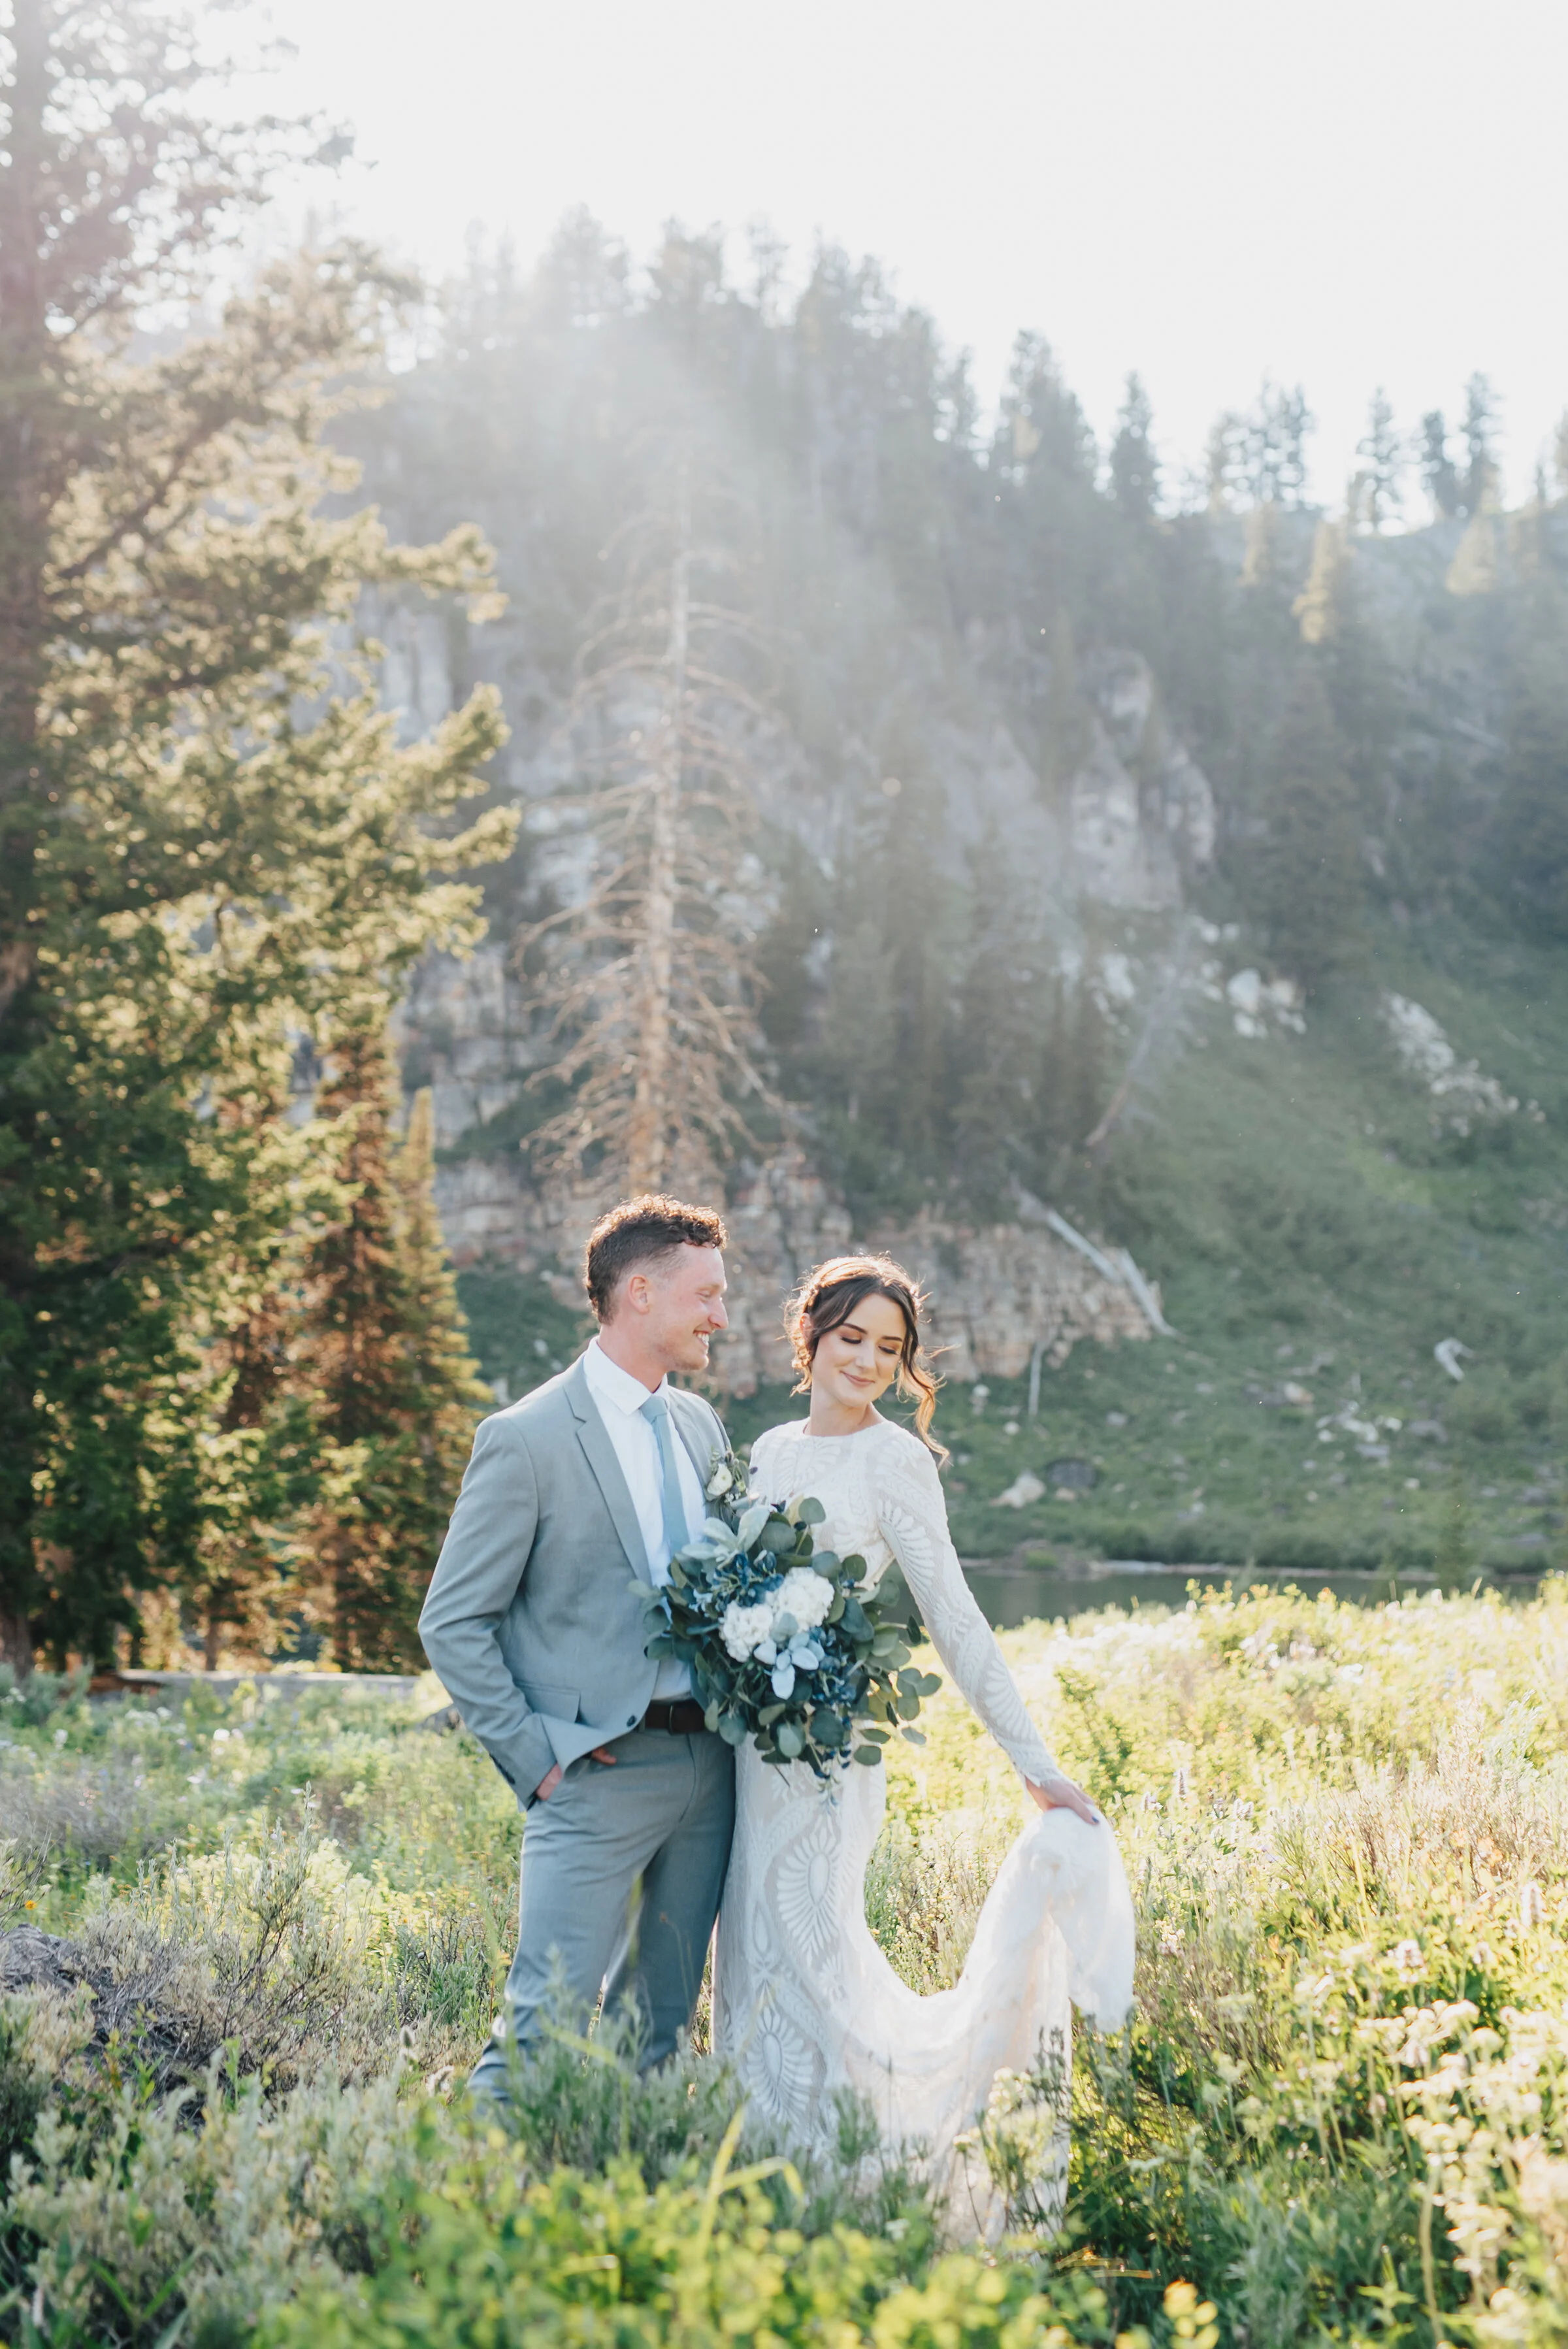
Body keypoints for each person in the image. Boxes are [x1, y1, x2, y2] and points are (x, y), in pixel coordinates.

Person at [714, 1253, 1134, 2233]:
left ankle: (847, 2189)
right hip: (746, 1756)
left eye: (890, 1348)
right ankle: (761, 2194)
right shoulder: (767, 1449)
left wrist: (1035, 1764)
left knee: (814, 1966)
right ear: (810, 1334)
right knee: (752, 1967)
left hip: (823, 1763)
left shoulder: (895, 1460)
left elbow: (955, 1617)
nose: (867, 1360)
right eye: (852, 1337)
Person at [419, 1194, 736, 2095]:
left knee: (661, 2028)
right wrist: (539, 1760)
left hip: (710, 1769)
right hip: (592, 1770)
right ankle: (459, 2219)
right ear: (639, 1292)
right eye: (705, 1294)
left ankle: (616, 2222)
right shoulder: (525, 1438)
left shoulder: (698, 1426)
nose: (720, 1314)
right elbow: (452, 1619)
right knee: (542, 2026)